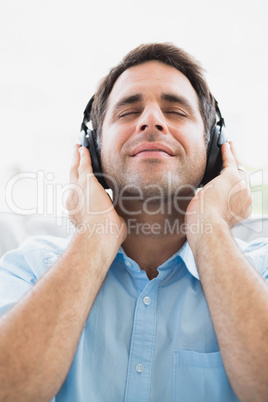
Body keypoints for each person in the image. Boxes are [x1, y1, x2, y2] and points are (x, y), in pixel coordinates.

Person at [0, 43, 268, 402]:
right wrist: (96, 233)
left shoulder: (260, 273)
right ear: (91, 150)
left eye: (175, 111)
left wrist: (211, 228)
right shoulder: (30, 269)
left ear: (213, 150)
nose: (152, 120)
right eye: (128, 112)